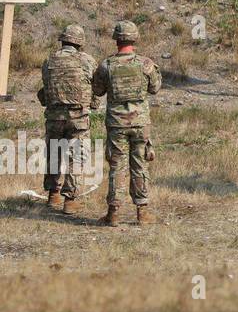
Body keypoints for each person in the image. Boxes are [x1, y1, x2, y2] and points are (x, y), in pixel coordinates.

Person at [92, 21, 162, 226]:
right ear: (134, 38)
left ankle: (113, 213)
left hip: (116, 124)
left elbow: (97, 90)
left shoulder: (106, 65)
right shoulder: (145, 64)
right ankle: (143, 213)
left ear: (116, 39)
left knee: (117, 166)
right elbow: (155, 88)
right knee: (140, 165)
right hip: (140, 123)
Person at [37, 24, 97, 216]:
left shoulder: (49, 61)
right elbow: (94, 89)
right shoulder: (87, 61)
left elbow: (45, 90)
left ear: (63, 41)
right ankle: (70, 201)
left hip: (54, 116)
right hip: (78, 118)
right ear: (80, 43)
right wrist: (93, 104)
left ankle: (53, 195)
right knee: (76, 157)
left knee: (54, 153)